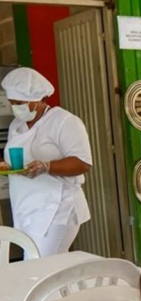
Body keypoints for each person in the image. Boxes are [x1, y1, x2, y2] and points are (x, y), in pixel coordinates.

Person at [0, 67, 92, 258]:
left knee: (37, 266)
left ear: (37, 98)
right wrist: (8, 166)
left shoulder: (64, 122)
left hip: (56, 207)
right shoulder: (16, 125)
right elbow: (19, 159)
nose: (15, 108)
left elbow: (83, 163)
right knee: (51, 269)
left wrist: (47, 167)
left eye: (20, 103)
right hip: (27, 207)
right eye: (12, 103)